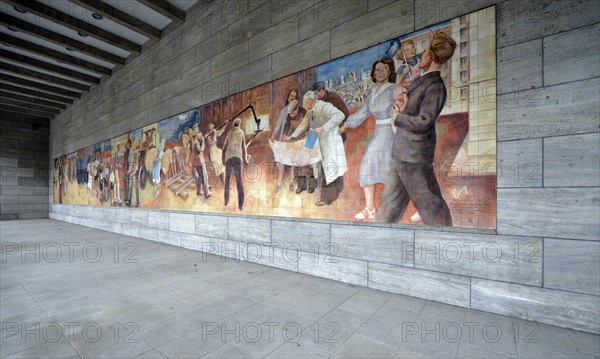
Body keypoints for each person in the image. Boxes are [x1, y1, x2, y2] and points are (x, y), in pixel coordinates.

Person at [376, 31, 456, 227]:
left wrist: (398, 117)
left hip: (414, 157)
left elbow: (424, 121)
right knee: (387, 208)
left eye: (425, 50)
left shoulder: (435, 86)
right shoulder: (423, 80)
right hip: (403, 153)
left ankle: (447, 240)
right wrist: (402, 103)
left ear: (430, 57)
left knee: (431, 207)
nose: (421, 54)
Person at [343, 56, 397, 220]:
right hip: (380, 132)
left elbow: (403, 107)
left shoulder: (394, 88)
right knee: (367, 168)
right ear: (373, 73)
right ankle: (370, 208)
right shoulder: (372, 93)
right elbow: (361, 114)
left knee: (392, 172)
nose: (381, 72)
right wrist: (345, 124)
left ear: (390, 72)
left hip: (393, 131)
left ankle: (391, 210)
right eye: (377, 69)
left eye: (385, 69)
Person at [285, 91, 347, 206]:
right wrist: (292, 136)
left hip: (329, 142)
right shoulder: (310, 111)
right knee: (314, 165)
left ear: (310, 102)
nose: (303, 106)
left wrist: (323, 127)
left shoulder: (324, 106)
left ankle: (327, 198)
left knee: (329, 169)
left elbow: (340, 115)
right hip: (316, 140)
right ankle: (316, 189)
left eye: (304, 103)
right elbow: (304, 124)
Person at [312, 81, 350, 193]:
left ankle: (336, 189)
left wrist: (338, 126)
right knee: (327, 163)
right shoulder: (317, 103)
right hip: (323, 138)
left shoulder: (333, 98)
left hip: (335, 135)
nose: (315, 96)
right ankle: (331, 190)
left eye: (316, 93)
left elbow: (345, 113)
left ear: (321, 90)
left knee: (335, 161)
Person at [223, 118, 248, 210]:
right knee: (239, 181)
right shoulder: (241, 132)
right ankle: (241, 205)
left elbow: (224, 147)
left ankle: (226, 201)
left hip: (228, 158)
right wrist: (245, 159)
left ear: (233, 125)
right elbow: (244, 147)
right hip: (237, 158)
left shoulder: (229, 133)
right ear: (239, 125)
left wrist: (223, 158)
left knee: (227, 181)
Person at [193, 132, 211, 199]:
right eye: (200, 136)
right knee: (205, 176)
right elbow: (201, 149)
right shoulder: (197, 143)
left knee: (200, 177)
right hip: (200, 161)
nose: (201, 137)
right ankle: (207, 193)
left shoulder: (194, 142)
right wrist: (203, 141)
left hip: (196, 162)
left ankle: (199, 191)